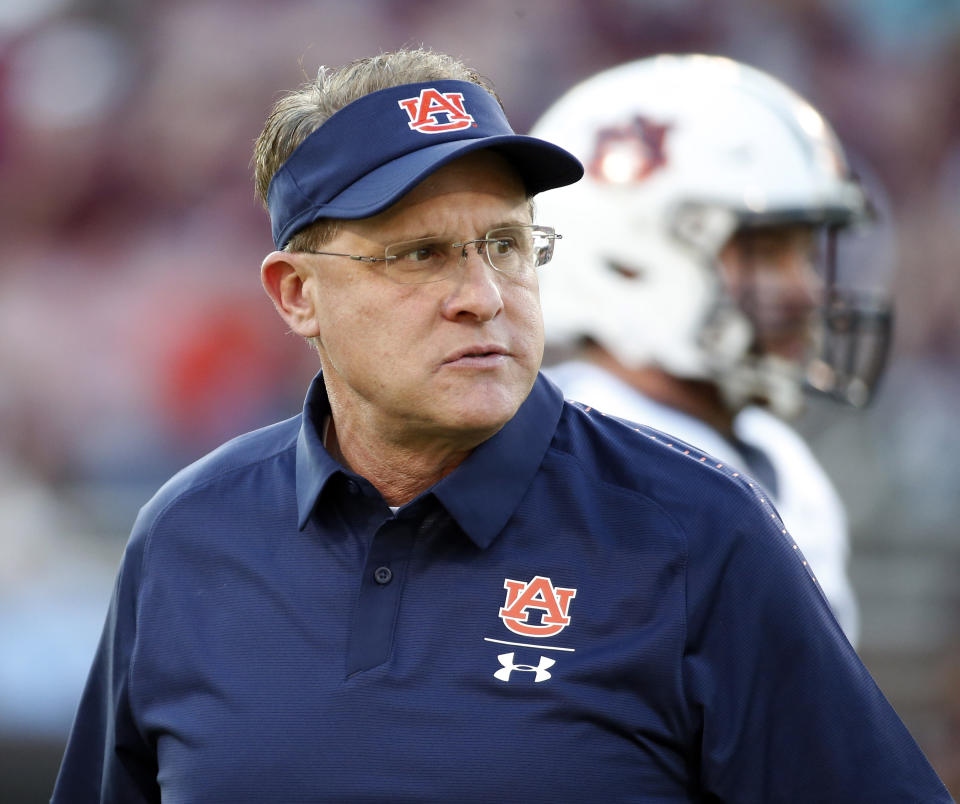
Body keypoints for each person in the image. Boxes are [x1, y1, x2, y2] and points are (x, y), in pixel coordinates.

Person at [51, 48, 950, 802]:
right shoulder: (185, 537)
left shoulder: (698, 530)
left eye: (509, 245)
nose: (483, 298)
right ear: (297, 294)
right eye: (421, 254)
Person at [531, 53, 896, 648]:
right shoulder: (574, 473)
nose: (808, 289)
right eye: (765, 250)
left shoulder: (778, 459)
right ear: (628, 257)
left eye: (804, 252)